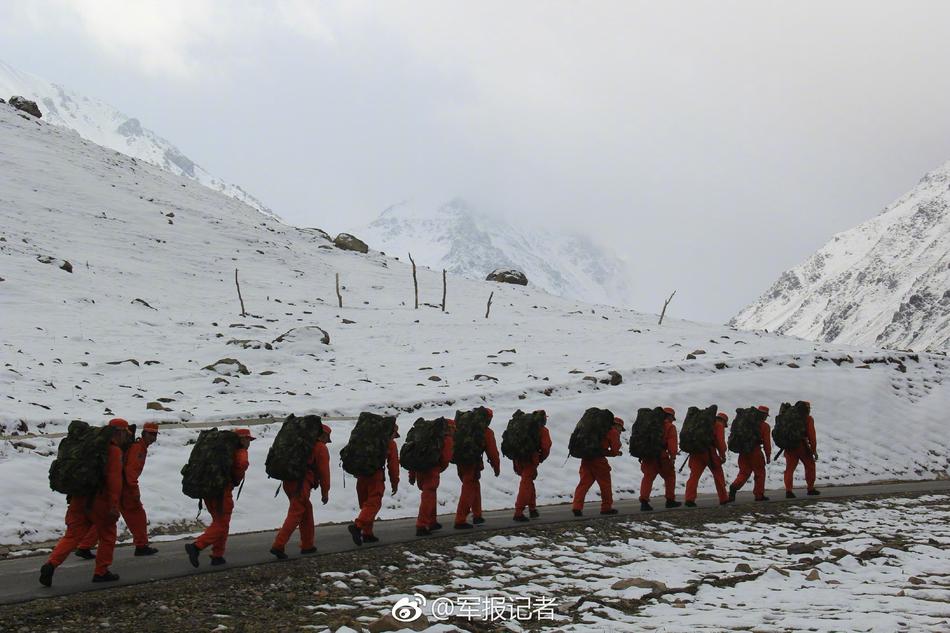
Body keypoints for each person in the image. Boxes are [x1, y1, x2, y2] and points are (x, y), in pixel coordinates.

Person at [40, 418, 130, 587]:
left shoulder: (87, 446)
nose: (127, 437)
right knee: (108, 535)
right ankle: (101, 572)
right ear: (120, 432)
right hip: (100, 500)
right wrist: (113, 505)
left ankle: (50, 564)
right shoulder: (113, 451)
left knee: (72, 535)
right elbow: (114, 480)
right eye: (126, 433)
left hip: (79, 497)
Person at [75, 422, 161, 560]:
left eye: (154, 434)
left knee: (105, 519)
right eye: (150, 433)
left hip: (119, 487)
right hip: (125, 489)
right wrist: (134, 490)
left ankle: (84, 546)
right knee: (138, 516)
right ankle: (141, 546)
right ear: (143, 433)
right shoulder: (138, 449)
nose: (152, 437)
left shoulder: (137, 447)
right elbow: (130, 472)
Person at [185, 428, 252, 567]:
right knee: (221, 523)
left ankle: (217, 555)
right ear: (241, 439)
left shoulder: (219, 449)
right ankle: (196, 546)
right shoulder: (240, 451)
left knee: (221, 522)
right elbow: (242, 464)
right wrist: (235, 479)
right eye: (248, 439)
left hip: (208, 489)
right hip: (222, 491)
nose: (249, 442)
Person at [270, 425, 331, 558]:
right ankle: (278, 545)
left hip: (289, 481)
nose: (327, 441)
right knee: (296, 513)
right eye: (327, 438)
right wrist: (325, 492)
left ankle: (307, 545)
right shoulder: (320, 447)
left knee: (306, 510)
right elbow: (324, 473)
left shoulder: (299, 443)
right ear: (323, 435)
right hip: (301, 484)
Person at [347, 424, 400, 545]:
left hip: (361, 475)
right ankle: (358, 526)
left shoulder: (365, 440)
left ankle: (367, 534)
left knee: (366, 504)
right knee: (373, 504)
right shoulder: (389, 443)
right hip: (376, 476)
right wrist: (394, 482)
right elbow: (393, 465)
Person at [454, 409, 501, 529]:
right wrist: (496, 467)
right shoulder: (485, 431)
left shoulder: (461, 427)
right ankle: (460, 519)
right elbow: (493, 453)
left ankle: (477, 515)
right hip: (472, 462)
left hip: (460, 460)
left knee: (473, 485)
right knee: (469, 487)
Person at [410, 419, 455, 536]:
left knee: (430, 494)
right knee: (428, 495)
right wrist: (439, 469)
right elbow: (445, 458)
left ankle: (432, 521)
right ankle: (421, 525)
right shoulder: (446, 439)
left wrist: (412, 474)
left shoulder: (423, 437)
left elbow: (414, 455)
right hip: (432, 469)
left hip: (419, 469)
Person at [571, 416, 623, 516]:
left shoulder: (595, 429)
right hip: (599, 461)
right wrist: (614, 453)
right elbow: (614, 449)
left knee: (583, 484)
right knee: (605, 485)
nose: (621, 431)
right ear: (617, 425)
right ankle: (606, 508)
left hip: (586, 458)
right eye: (621, 428)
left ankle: (576, 507)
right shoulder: (612, 431)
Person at [512, 411, 553, 522]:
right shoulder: (542, 430)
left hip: (517, 459)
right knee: (526, 483)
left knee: (528, 482)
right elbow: (546, 447)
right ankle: (518, 512)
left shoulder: (519, 426)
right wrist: (541, 458)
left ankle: (532, 509)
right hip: (530, 459)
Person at [639, 407, 681, 511]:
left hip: (647, 455)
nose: (672, 420)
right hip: (661, 457)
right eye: (672, 417)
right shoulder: (670, 427)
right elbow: (672, 444)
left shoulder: (648, 424)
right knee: (670, 476)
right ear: (669, 416)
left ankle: (644, 502)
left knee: (647, 478)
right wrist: (673, 456)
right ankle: (670, 501)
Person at [684, 412, 729, 507]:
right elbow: (720, 442)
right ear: (723, 421)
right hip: (709, 452)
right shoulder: (718, 425)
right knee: (718, 475)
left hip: (696, 451)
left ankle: (689, 499)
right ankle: (723, 499)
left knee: (694, 476)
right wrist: (723, 455)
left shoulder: (701, 423)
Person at [729, 406, 772, 502]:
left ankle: (734, 487)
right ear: (764, 415)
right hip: (755, 451)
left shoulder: (745, 422)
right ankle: (759, 495)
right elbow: (767, 443)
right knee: (760, 473)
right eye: (766, 415)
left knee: (744, 472)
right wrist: (768, 455)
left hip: (743, 451)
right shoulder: (765, 426)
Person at [784, 401, 819, 498]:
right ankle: (810, 488)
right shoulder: (808, 419)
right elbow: (812, 436)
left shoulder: (788, 418)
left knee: (789, 469)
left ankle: (788, 490)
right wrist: (814, 450)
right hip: (802, 445)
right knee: (810, 466)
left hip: (789, 446)